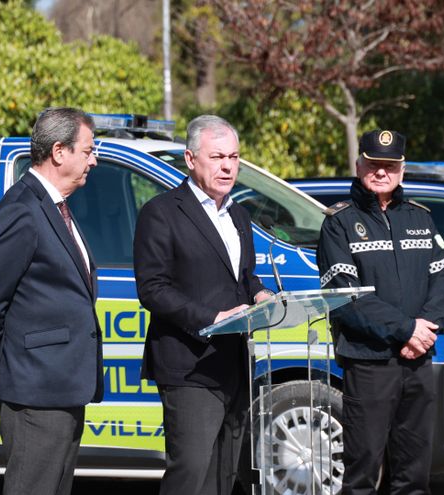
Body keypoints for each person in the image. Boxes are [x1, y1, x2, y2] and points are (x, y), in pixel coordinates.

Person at [133, 114, 273, 495]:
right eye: (217, 157)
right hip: (189, 366)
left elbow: (244, 277)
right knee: (191, 475)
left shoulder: (239, 214)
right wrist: (212, 317)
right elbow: (152, 288)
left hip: (234, 364)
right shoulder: (161, 212)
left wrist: (260, 295)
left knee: (224, 475)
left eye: (234, 156)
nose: (228, 166)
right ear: (191, 160)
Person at [0, 107, 102, 494]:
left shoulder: (56, 207)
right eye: (88, 150)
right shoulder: (22, 210)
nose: (94, 159)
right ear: (59, 152)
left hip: (62, 387)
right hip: (34, 391)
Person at [316, 129, 444, 494]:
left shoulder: (421, 218)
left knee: (414, 473)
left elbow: (442, 286)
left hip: (418, 361)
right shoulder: (338, 223)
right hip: (369, 363)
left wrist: (426, 331)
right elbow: (346, 298)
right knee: (362, 472)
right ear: (359, 164)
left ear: (402, 170)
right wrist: (406, 330)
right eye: (374, 164)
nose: (381, 172)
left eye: (389, 165)